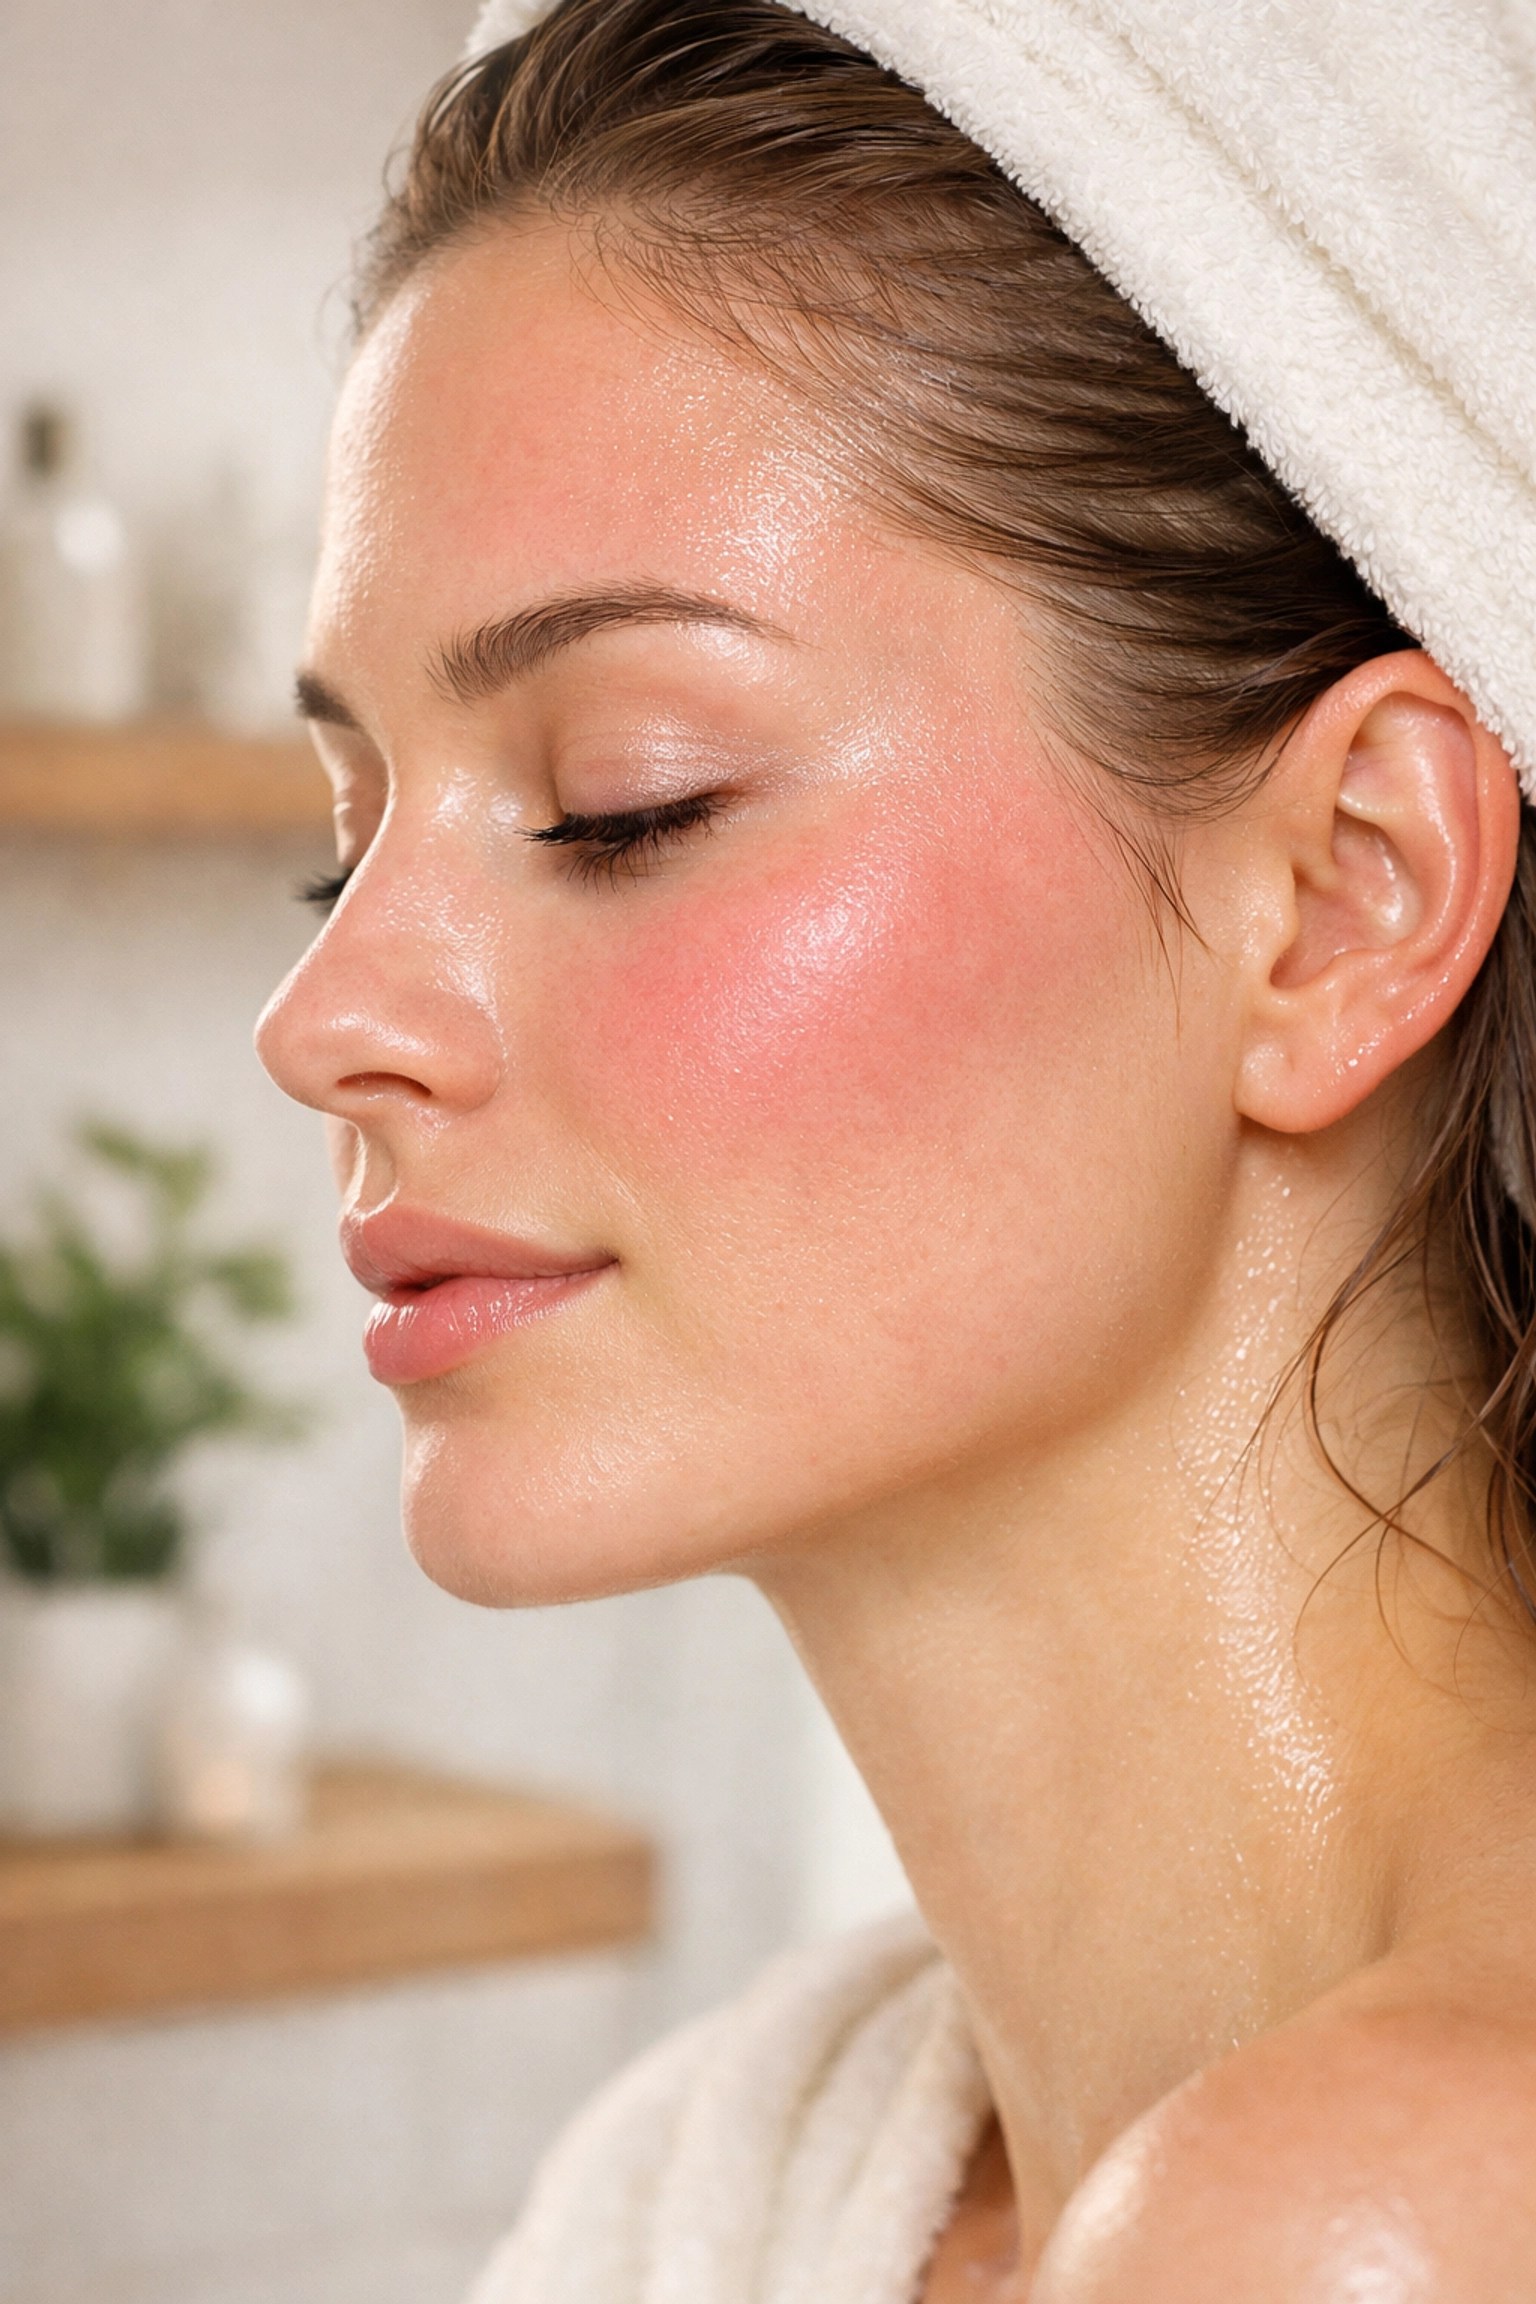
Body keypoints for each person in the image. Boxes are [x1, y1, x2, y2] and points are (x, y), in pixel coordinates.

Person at [254, 1, 1536, 2296]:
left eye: (621, 799)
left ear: (1352, 889)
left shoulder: (1387, 2220)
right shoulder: (744, 2174)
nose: (325, 1013)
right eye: (337, 847)